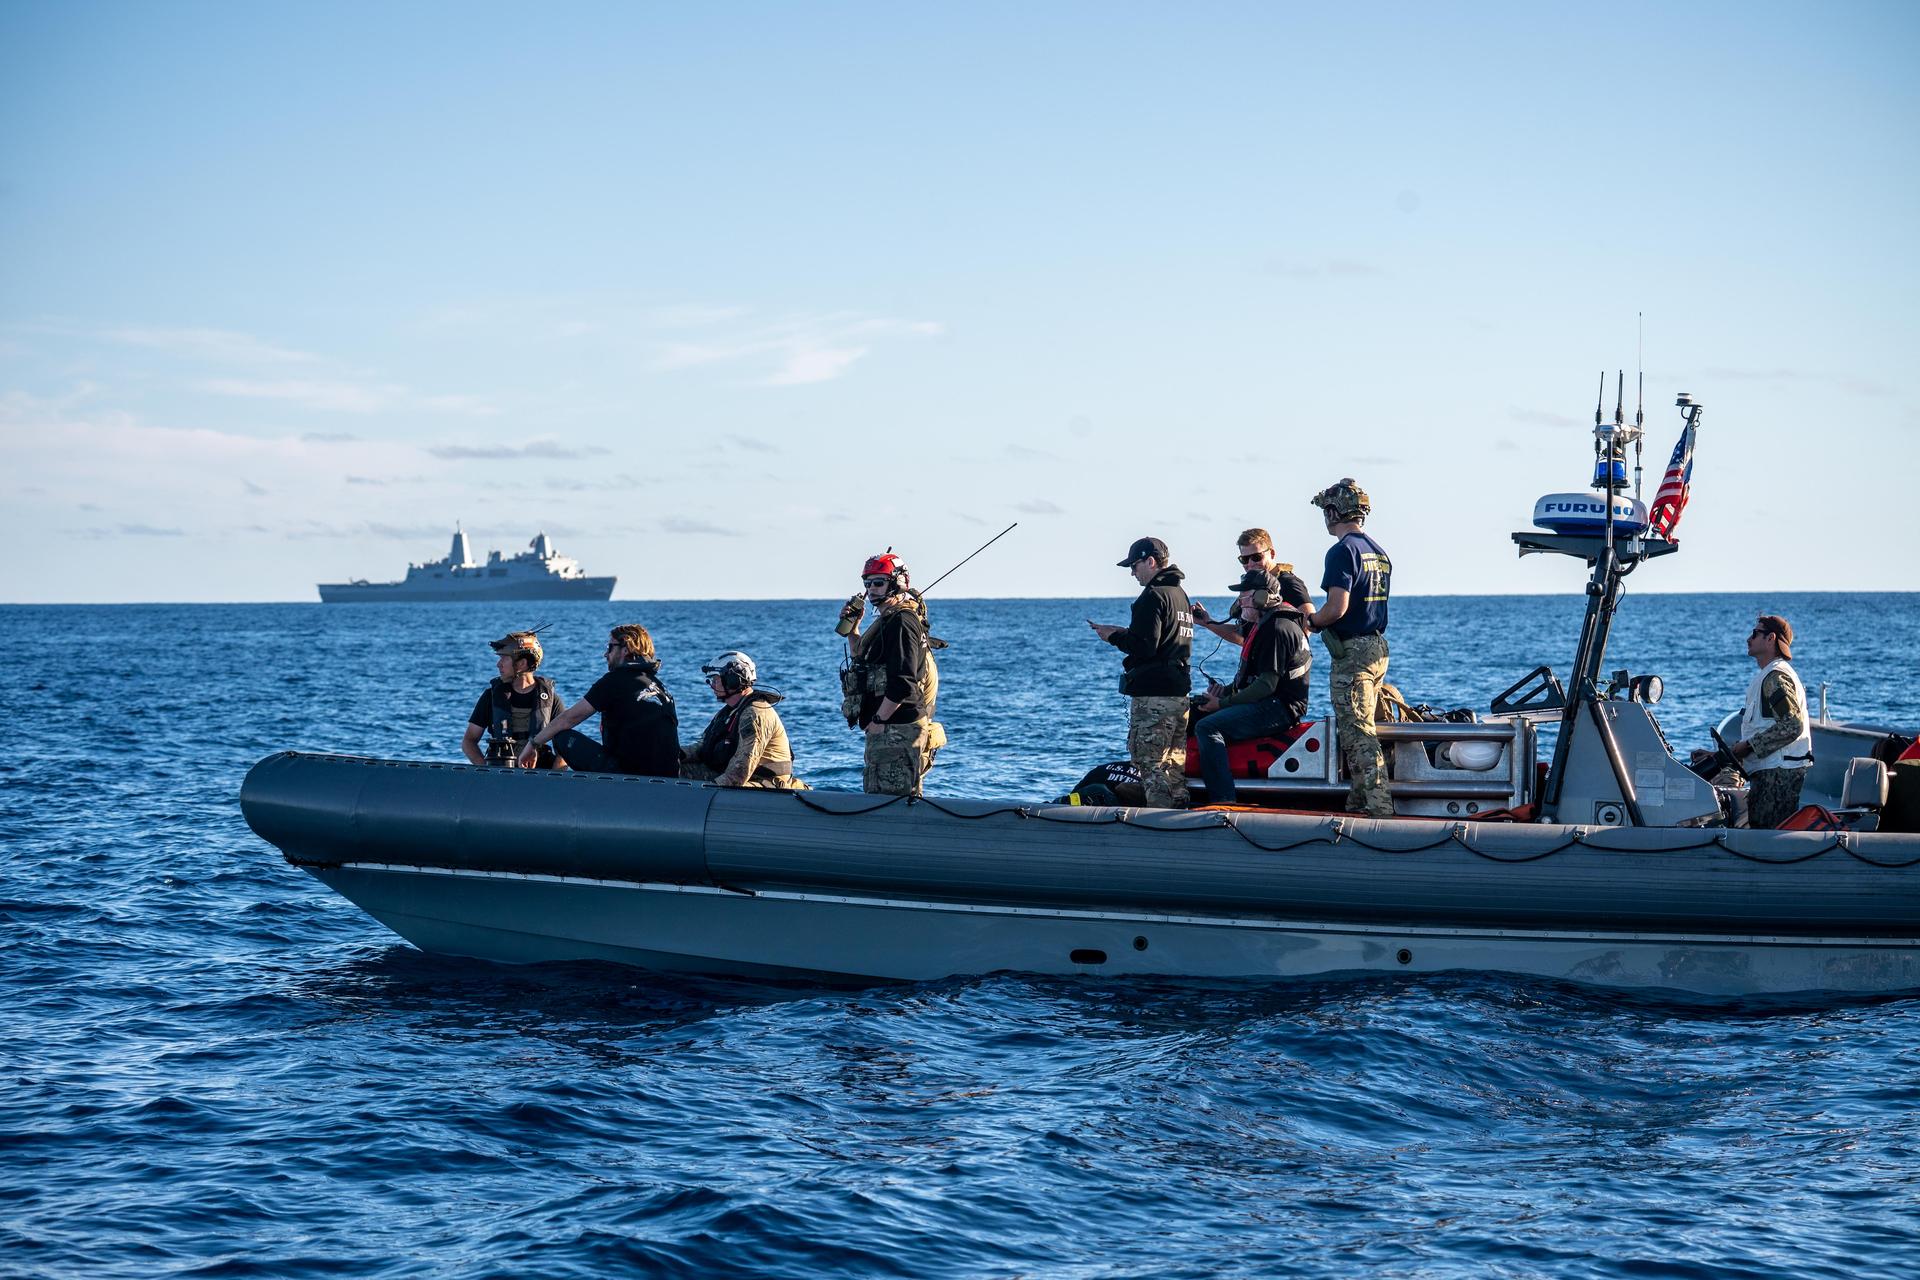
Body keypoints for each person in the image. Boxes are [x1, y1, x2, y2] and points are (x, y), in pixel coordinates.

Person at [1301, 478, 1395, 817]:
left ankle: (1380, 810)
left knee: (1358, 735)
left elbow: (1336, 608)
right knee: (1361, 728)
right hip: (1377, 648)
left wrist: (1312, 621)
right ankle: (1357, 804)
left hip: (1353, 653)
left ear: (1332, 512)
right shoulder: (1378, 552)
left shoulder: (1342, 551)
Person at [1190, 569, 1313, 804]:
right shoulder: (1266, 624)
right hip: (1268, 701)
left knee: (1207, 727)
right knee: (1193, 711)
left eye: (1244, 596)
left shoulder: (1277, 629)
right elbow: (1254, 678)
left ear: (1261, 598)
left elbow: (1266, 685)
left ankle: (1223, 800)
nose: (1239, 602)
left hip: (1280, 708)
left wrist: (1222, 704)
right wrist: (1225, 692)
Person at [1088, 537, 1194, 808]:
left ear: (1151, 561)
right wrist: (1125, 632)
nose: (1132, 573)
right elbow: (1164, 640)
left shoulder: (1153, 596)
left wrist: (1113, 637)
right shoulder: (1179, 595)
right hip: (1178, 693)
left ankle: (1157, 821)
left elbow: (1145, 647)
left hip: (1154, 696)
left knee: (1149, 763)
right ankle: (1180, 816)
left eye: (1134, 566)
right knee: (1173, 766)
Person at [841, 552, 943, 795]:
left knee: (890, 801)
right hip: (887, 728)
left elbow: (903, 682)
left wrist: (878, 721)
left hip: (897, 728)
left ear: (897, 583)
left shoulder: (902, 622)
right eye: (867, 584)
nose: (871, 590)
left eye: (878, 583)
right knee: (878, 795)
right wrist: (853, 628)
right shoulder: (887, 620)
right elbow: (861, 656)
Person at [1697, 615, 1813, 829]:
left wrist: (1749, 747)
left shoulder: (1775, 678)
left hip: (1777, 776)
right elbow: (1767, 727)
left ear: (1770, 638)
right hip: (1770, 773)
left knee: (1767, 836)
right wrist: (1720, 756)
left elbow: (1792, 725)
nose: (1748, 639)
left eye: (1755, 633)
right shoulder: (1768, 676)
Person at [520, 623, 679, 775]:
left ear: (626, 649)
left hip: (629, 775)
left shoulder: (614, 681)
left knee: (560, 736)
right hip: (668, 775)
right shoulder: (659, 687)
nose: (605, 654)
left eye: (610, 647)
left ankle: (557, 784)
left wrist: (533, 744)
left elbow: (569, 719)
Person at [681, 650, 805, 789]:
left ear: (733, 680)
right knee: (672, 767)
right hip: (738, 778)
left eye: (716, 680)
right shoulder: (728, 713)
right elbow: (705, 746)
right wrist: (677, 754)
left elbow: (741, 770)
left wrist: (709, 790)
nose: (713, 686)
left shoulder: (755, 714)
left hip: (765, 783)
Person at [462, 630, 562, 767]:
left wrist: (554, 775)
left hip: (540, 771)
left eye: (504, 658)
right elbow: (469, 741)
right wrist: (486, 770)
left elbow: (564, 747)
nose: (498, 664)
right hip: (500, 770)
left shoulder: (551, 700)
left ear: (522, 663)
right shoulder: (490, 697)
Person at [1192, 527, 1292, 642]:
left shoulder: (1288, 583)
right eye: (1244, 559)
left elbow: (1306, 626)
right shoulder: (1251, 585)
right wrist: (1208, 623)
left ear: (1272, 554)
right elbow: (1244, 636)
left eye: (1256, 557)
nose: (1251, 563)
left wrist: (1276, 646)